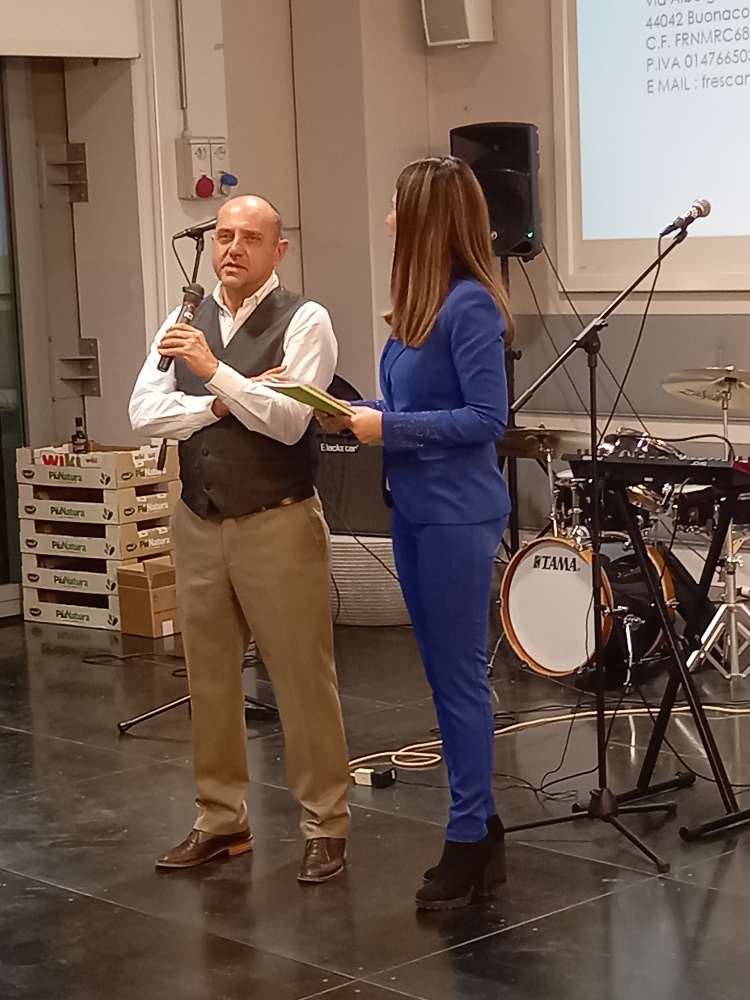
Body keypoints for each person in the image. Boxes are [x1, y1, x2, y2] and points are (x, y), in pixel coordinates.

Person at [129, 195, 351, 883]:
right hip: (198, 520)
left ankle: (325, 824)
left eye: (250, 238)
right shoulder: (183, 319)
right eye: (224, 235)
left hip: (276, 521)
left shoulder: (305, 320)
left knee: (302, 678)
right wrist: (226, 400)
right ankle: (221, 819)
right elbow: (144, 412)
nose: (231, 248)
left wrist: (211, 370)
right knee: (210, 677)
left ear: (278, 250)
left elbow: (287, 422)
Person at [318, 157, 512, 909]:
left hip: (458, 515)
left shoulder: (471, 306)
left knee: (458, 681)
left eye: (398, 207)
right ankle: (482, 828)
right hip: (418, 508)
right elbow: (408, 405)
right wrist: (350, 411)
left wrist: (389, 427)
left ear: (428, 218)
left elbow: (488, 418)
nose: (389, 218)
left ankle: (468, 836)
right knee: (441, 677)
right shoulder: (419, 309)